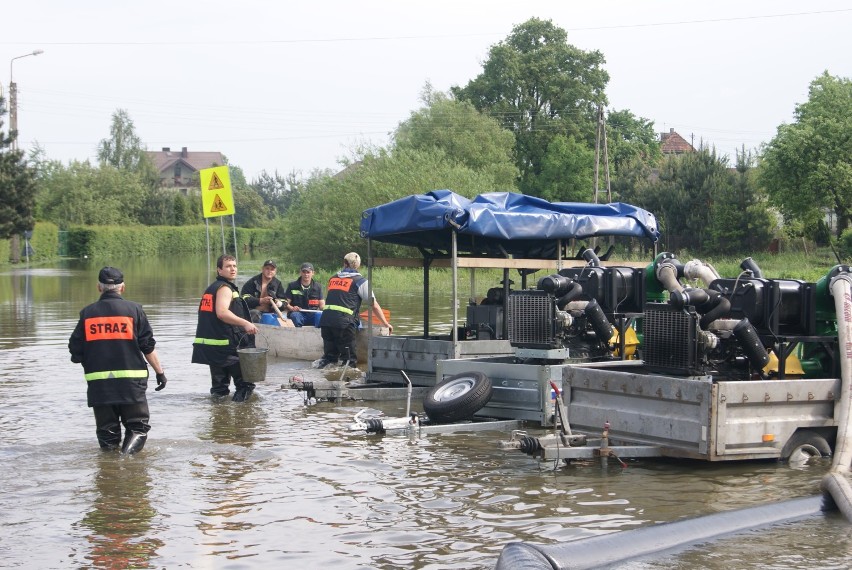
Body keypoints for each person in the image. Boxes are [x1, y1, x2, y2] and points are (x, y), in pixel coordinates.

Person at [68, 266, 167, 454]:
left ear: (99, 287)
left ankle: (109, 469)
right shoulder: (134, 310)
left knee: (107, 432)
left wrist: (90, 358)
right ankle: (126, 462)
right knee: (137, 427)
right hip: (131, 384)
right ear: (123, 287)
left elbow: (75, 350)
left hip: (100, 386)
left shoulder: (87, 313)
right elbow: (148, 346)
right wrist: (160, 373)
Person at [193, 254, 259, 402]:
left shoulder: (211, 289)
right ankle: (241, 420)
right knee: (246, 385)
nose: (233, 269)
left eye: (234, 266)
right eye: (228, 266)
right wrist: (245, 323)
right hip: (227, 347)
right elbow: (222, 313)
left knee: (219, 389)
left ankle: (219, 419)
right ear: (219, 270)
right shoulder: (225, 288)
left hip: (213, 347)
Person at [315, 252, 393, 369]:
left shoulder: (333, 279)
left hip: (326, 322)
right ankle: (347, 384)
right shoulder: (360, 281)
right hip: (344, 325)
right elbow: (374, 305)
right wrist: (385, 323)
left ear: (344, 263)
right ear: (358, 266)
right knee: (349, 362)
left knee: (329, 360)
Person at [282, 262, 325, 327]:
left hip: (312, 314)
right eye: (304, 272)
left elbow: (322, 305)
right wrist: (292, 308)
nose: (306, 274)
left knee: (321, 316)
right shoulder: (292, 286)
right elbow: (285, 302)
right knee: (295, 316)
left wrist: (328, 311)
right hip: (298, 314)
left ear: (313, 273)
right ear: (300, 273)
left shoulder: (318, 287)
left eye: (308, 272)